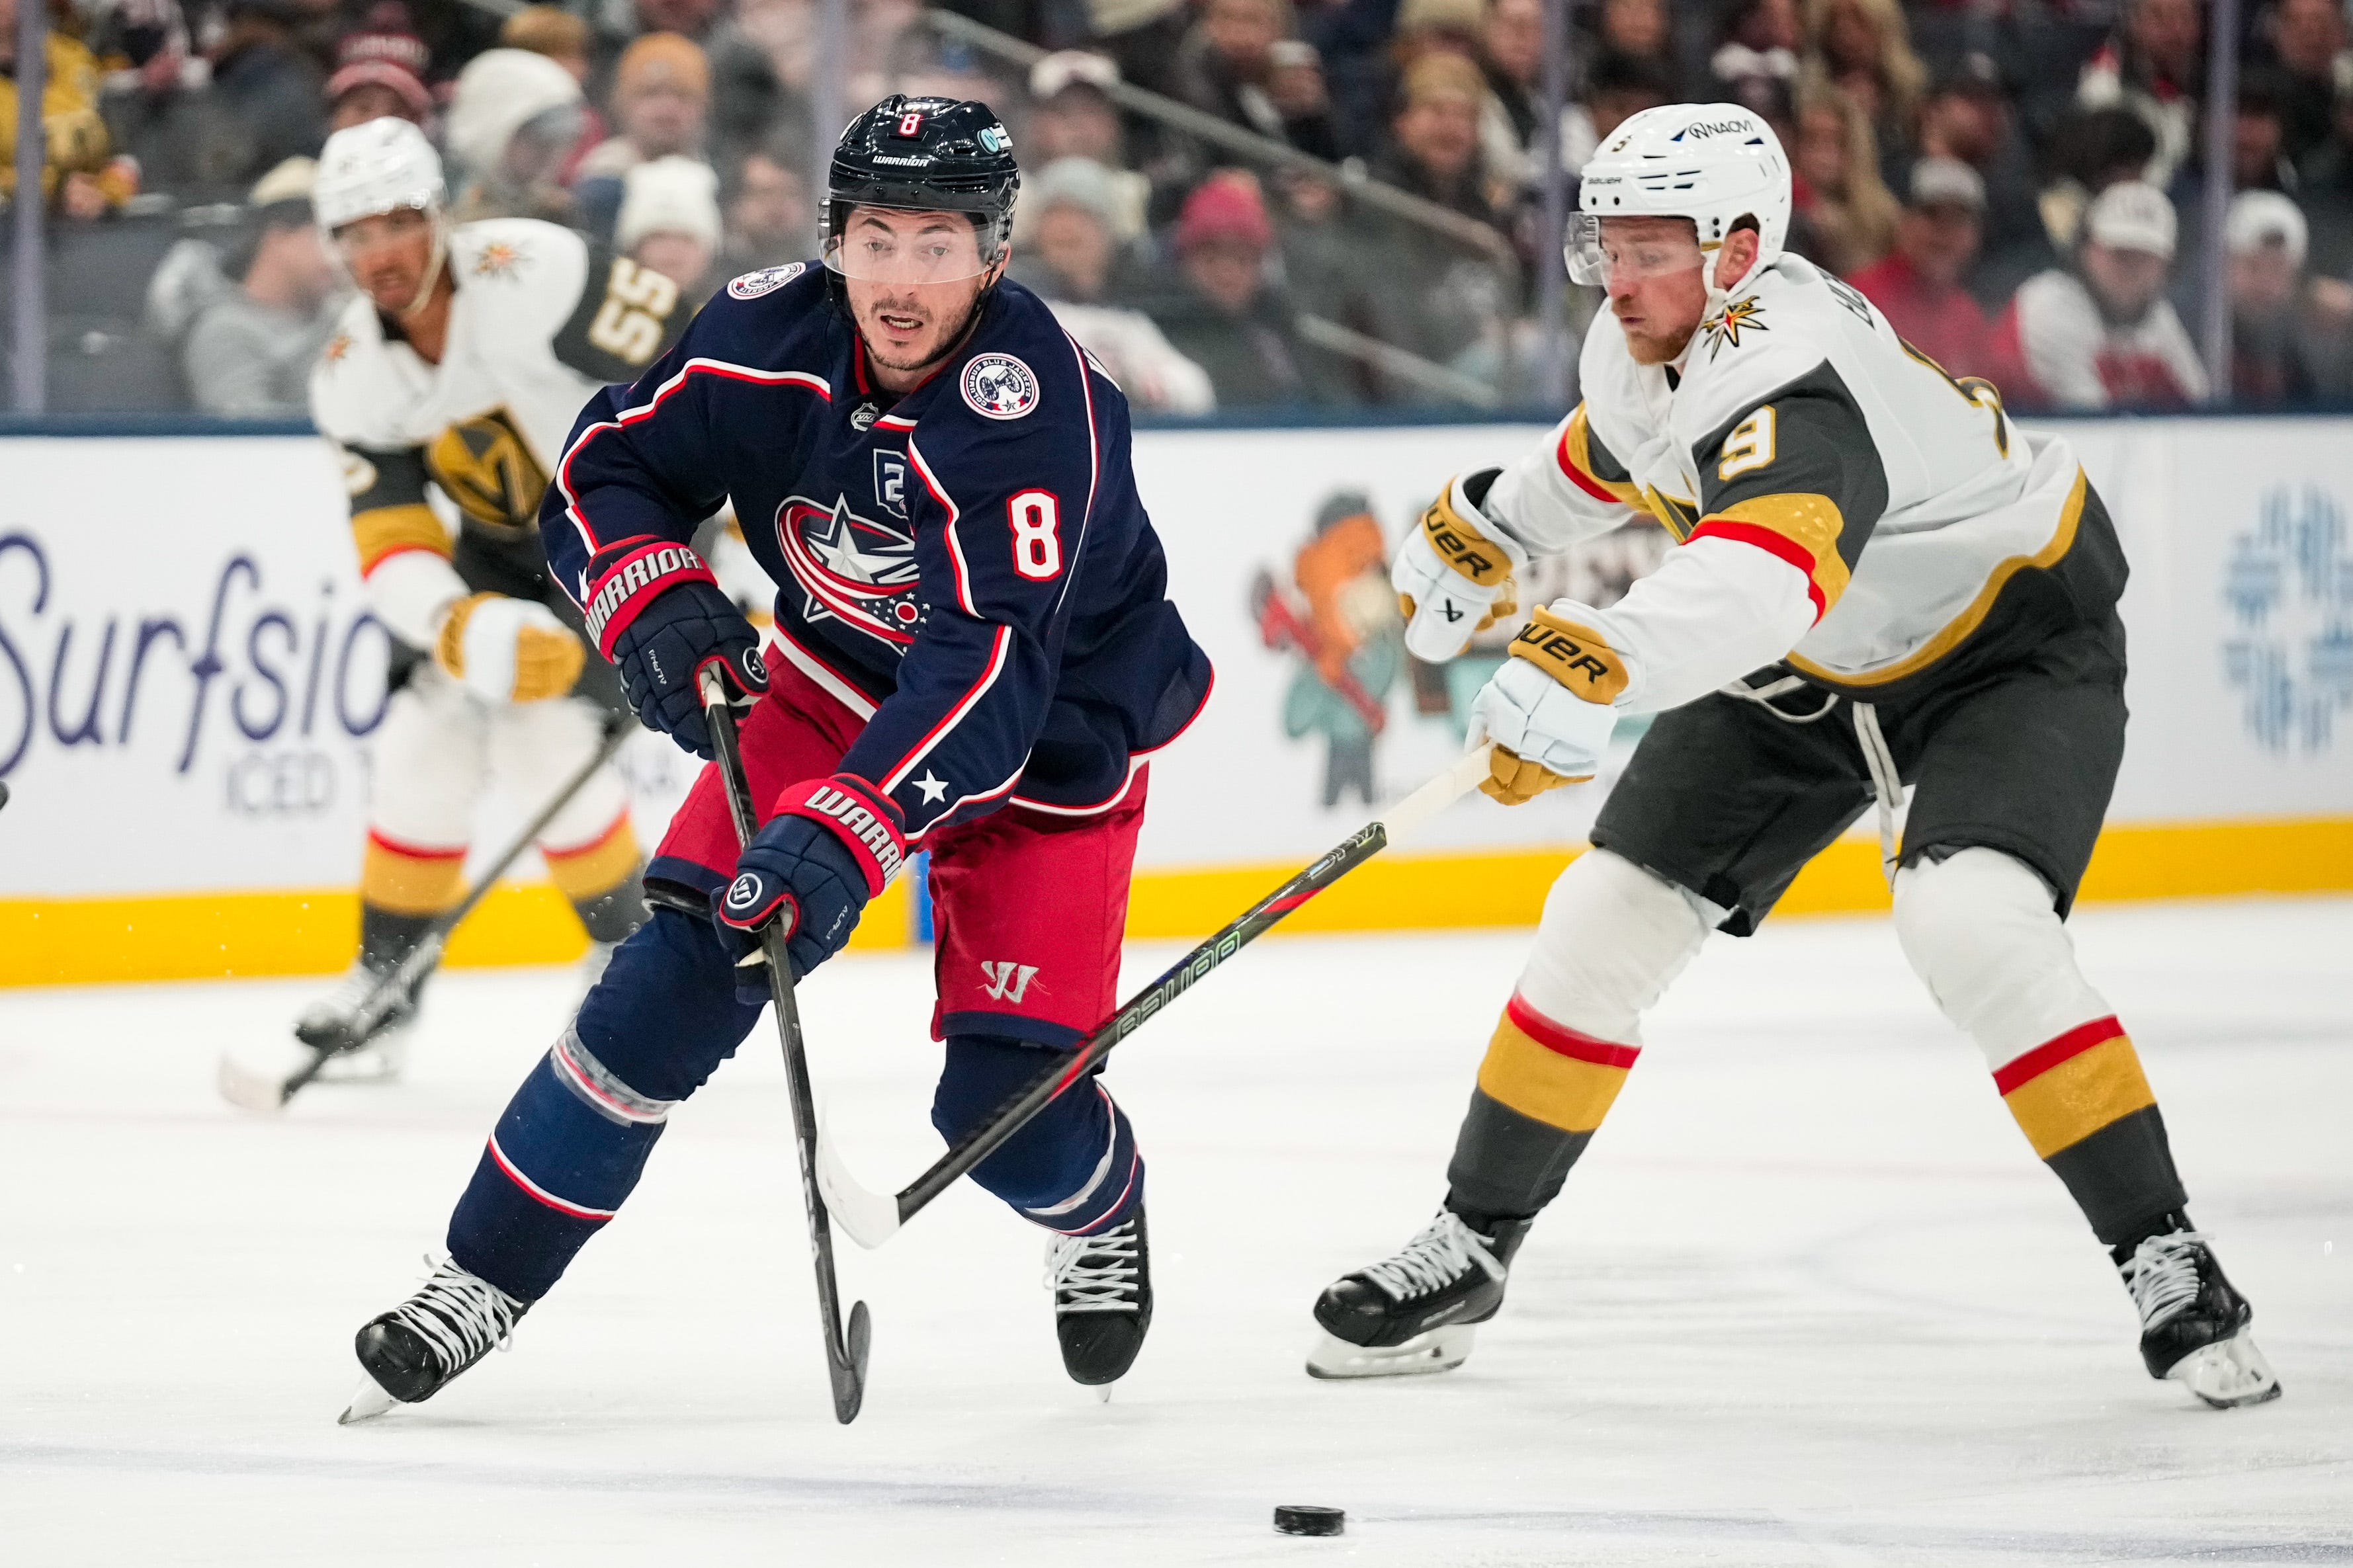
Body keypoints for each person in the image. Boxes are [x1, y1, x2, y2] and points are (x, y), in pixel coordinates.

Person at [1310, 102, 2281, 1413]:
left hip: (1998, 649)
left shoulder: (1791, 360)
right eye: (1603, 242)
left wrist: (1594, 659)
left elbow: (1765, 576)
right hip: (1822, 669)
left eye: (1650, 244)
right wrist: (1492, 516)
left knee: (1971, 924)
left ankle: (2162, 1251)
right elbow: (1623, 446)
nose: (1615, 273)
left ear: (1737, 250)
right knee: (1598, 919)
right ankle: (1469, 1248)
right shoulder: (1647, 327)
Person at [338, 96, 1214, 1420]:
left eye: (937, 243)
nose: (902, 280)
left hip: (1042, 734)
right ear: (833, 238)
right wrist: (653, 593)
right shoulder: (764, 333)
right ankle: (480, 1278)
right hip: (823, 684)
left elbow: (986, 667)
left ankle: (1100, 1206)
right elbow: (600, 467)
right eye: (876, 238)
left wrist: (849, 824)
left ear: (992, 251)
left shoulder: (1037, 412)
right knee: (671, 979)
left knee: (1003, 1114)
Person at [217, 118, 684, 1104]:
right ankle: (386, 982)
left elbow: (708, 370)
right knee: (424, 732)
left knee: (541, 740)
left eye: (397, 223)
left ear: (438, 214)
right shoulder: (350, 370)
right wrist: (455, 625)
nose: (380, 252)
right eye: (355, 233)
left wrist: (743, 543)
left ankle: (636, 962)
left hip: (635, 538)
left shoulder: (539, 272)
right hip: (509, 563)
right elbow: (389, 539)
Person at [1986, 179, 2207, 409]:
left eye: (2146, 258)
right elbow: (2095, 423)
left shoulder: (2158, 315)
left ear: (2167, 267)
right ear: (2086, 251)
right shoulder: (2049, 305)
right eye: (2120, 254)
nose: (2131, 270)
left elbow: (2201, 409)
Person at [151, 157, 345, 415]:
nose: (342, 256)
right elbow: (249, 444)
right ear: (279, 236)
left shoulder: (346, 315)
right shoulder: (225, 330)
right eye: (330, 237)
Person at [1846, 155, 1992, 375]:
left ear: (1975, 236)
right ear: (1904, 222)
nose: (1944, 233)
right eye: (1932, 214)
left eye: (1958, 220)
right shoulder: (1860, 298)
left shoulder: (1969, 318)